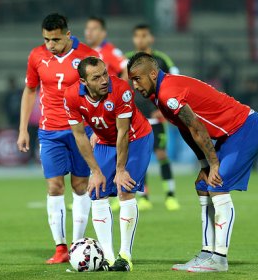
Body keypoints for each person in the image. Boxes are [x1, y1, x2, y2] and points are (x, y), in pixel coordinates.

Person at [127, 52, 258, 273]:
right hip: (230, 134)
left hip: (245, 128)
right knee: (203, 185)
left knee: (217, 183)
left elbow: (197, 128)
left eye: (137, 79)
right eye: (131, 80)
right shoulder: (159, 95)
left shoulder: (168, 93)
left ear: (153, 74)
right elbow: (186, 130)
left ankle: (219, 259)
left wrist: (214, 164)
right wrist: (204, 165)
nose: (134, 85)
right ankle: (206, 253)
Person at [16, 13, 98, 264]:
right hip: (50, 131)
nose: (50, 44)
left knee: (80, 186)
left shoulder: (87, 55)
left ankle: (77, 244)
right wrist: (22, 130)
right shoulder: (37, 56)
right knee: (54, 186)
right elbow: (30, 90)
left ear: (68, 34)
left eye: (55, 39)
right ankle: (60, 248)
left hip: (80, 131)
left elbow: (100, 94)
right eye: (46, 39)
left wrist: (97, 130)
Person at [64, 56, 153, 271]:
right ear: (84, 82)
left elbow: (123, 132)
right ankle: (108, 257)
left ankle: (124, 256)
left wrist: (120, 169)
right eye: (97, 77)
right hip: (104, 141)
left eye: (105, 73)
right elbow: (79, 136)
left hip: (136, 139)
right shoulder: (71, 96)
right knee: (97, 191)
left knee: (125, 189)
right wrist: (95, 171)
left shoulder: (121, 89)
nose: (105, 80)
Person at [125, 24, 180, 211]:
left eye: (144, 35)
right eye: (137, 36)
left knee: (161, 154)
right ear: (134, 39)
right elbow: (119, 86)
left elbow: (175, 84)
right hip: (135, 118)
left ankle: (170, 195)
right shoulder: (125, 60)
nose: (140, 39)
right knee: (139, 157)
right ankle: (143, 196)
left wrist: (165, 109)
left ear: (151, 38)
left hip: (157, 117)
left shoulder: (161, 60)